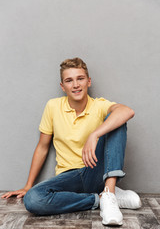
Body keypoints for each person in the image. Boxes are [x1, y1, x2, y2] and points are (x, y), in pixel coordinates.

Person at [1, 57, 141, 226]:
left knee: (117, 120)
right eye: (69, 80)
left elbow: (127, 111)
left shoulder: (98, 105)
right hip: (68, 178)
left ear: (88, 82)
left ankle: (109, 193)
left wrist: (95, 134)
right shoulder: (53, 107)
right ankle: (99, 198)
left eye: (80, 79)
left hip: (94, 170)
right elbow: (42, 147)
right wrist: (28, 185)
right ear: (63, 86)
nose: (75, 85)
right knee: (33, 199)